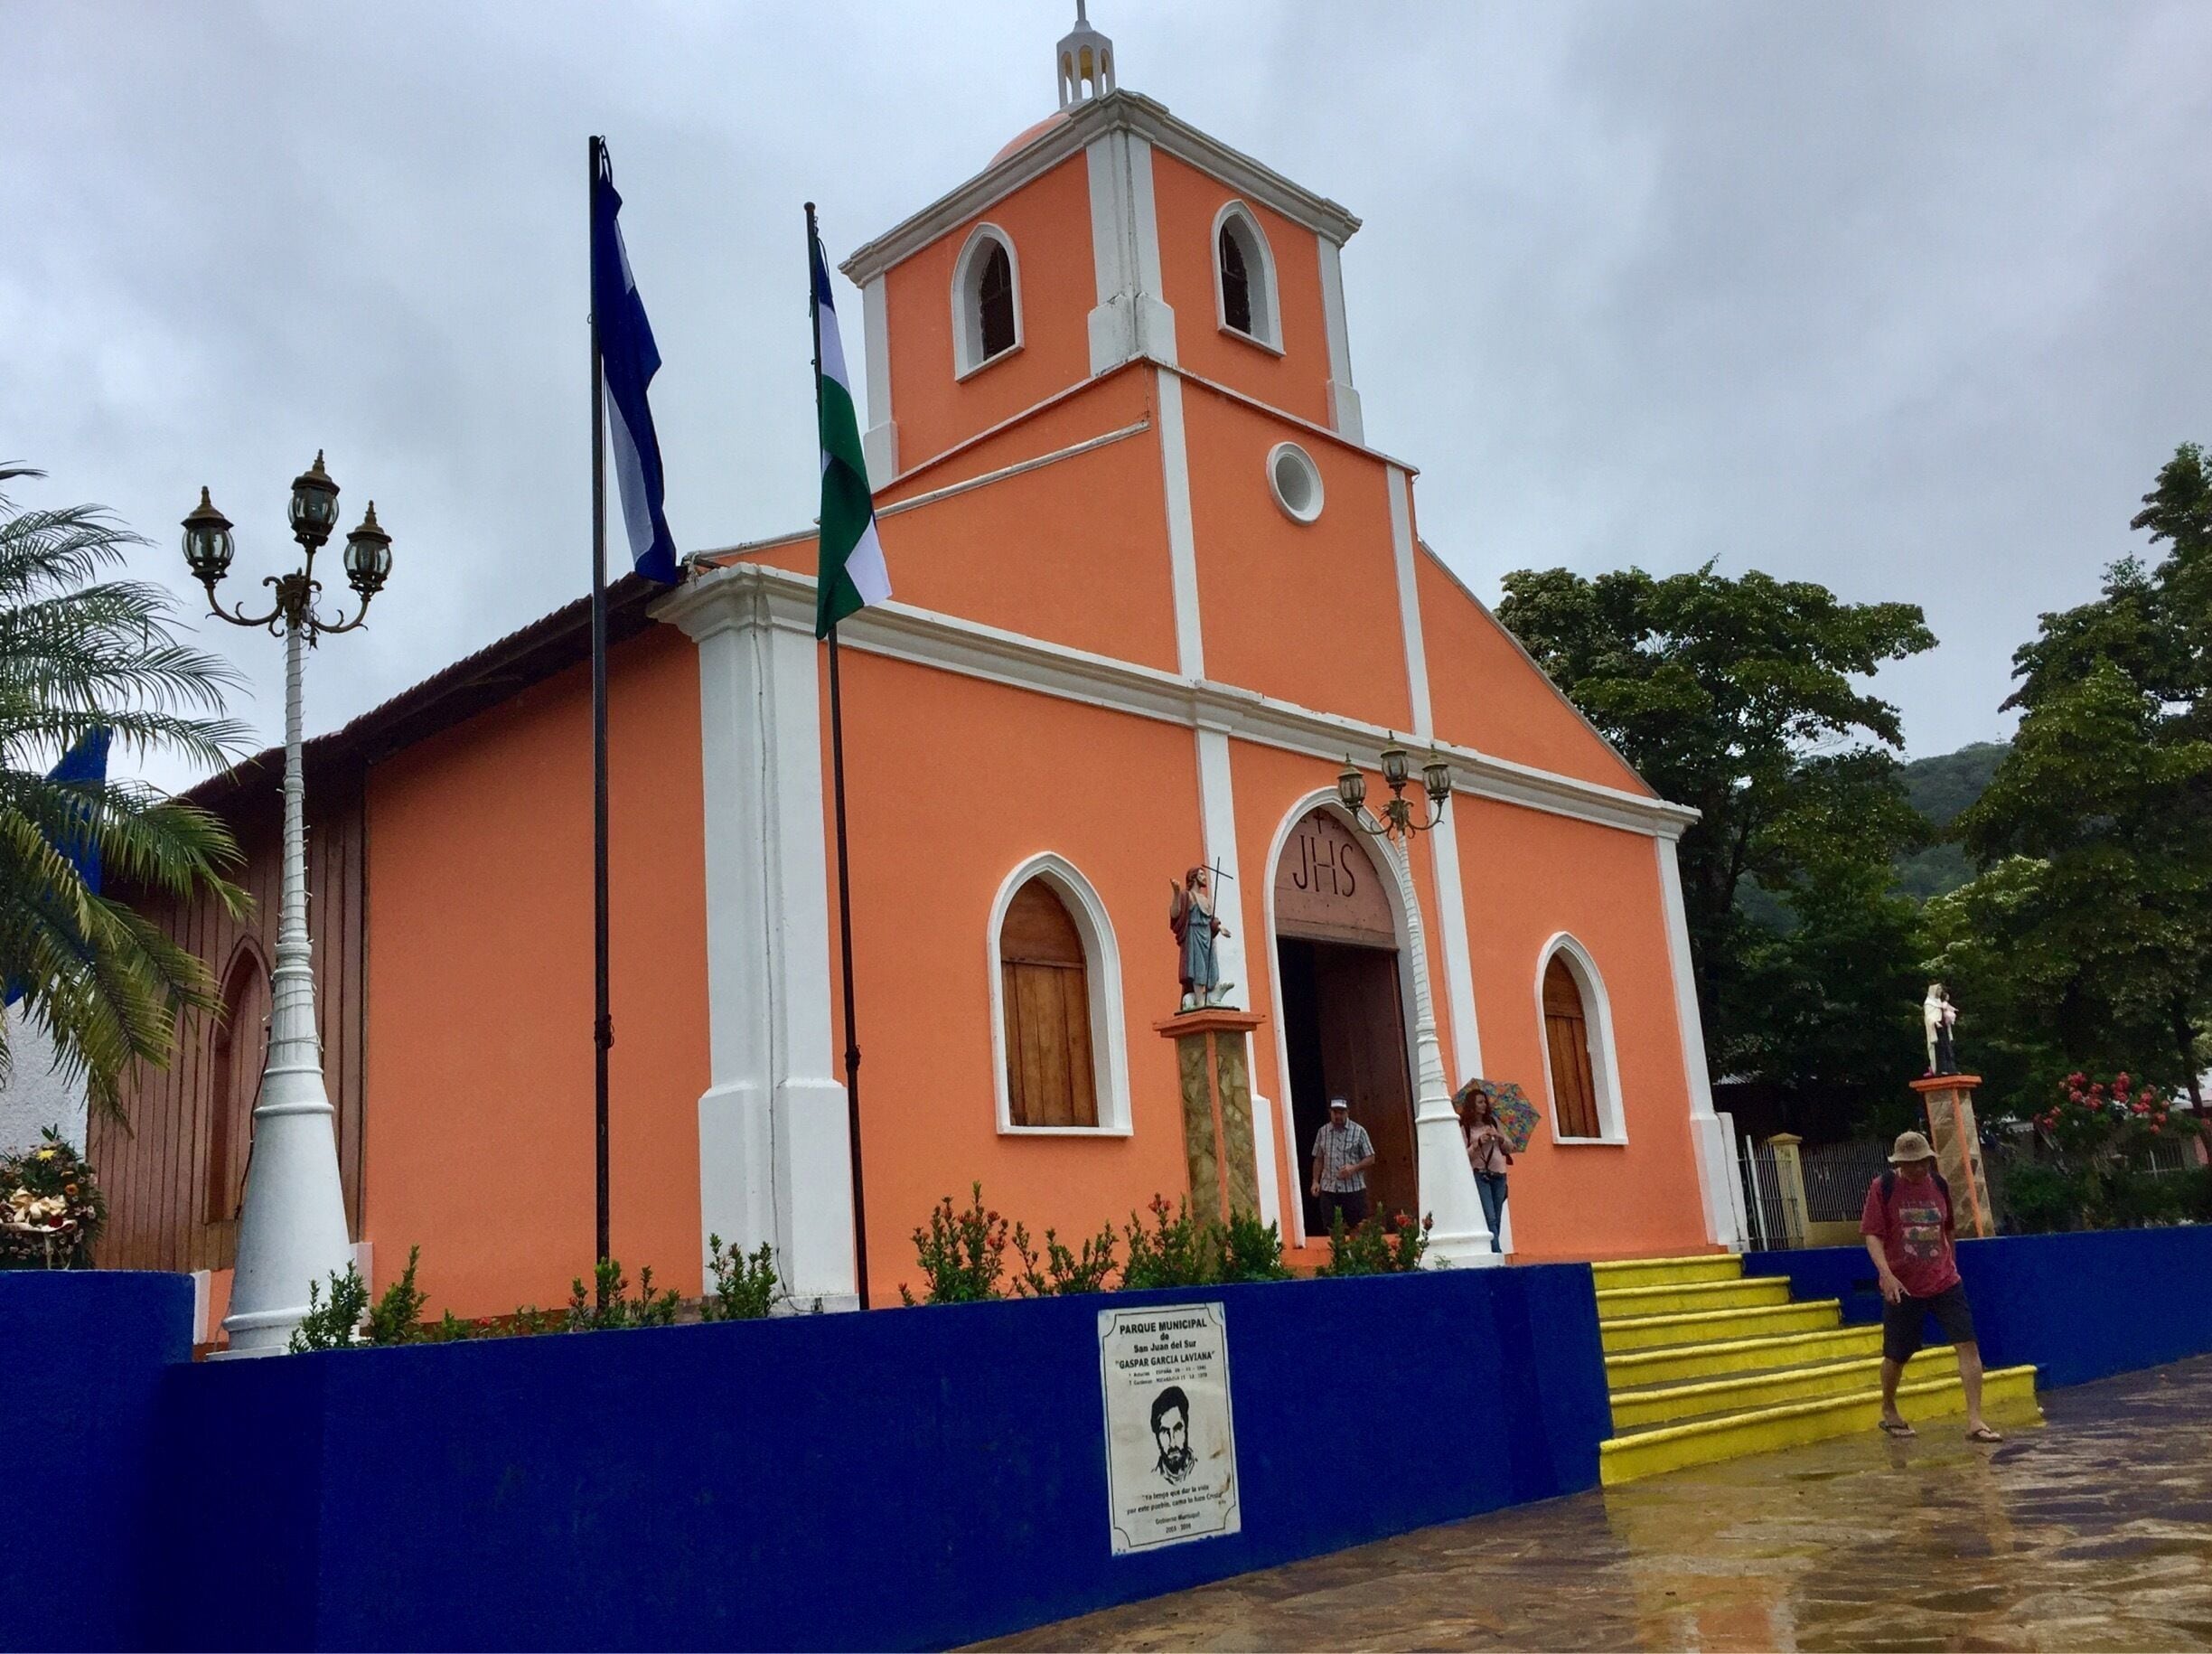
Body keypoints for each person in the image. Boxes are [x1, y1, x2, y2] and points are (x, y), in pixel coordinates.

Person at [1861, 1130, 2000, 1443]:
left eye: (1922, 1163)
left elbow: (1947, 1229)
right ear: (1899, 1164)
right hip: (1903, 1284)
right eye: (1910, 1165)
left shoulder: (1939, 1184)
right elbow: (1872, 1234)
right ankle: (1889, 1408)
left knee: (1967, 1343)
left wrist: (1951, 1264)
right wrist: (1885, 1274)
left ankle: (1976, 1421)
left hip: (1944, 1280)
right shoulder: (1883, 1187)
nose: (1918, 1170)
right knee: (1897, 1354)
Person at [1167, 866, 1233, 1010]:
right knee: (1198, 969)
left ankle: (1211, 997)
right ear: (1194, 877)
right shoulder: (1187, 896)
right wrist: (1176, 893)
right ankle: (1199, 1001)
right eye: (1201, 874)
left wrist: (1220, 928)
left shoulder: (1205, 899)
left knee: (1211, 967)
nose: (1204, 877)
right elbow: (1175, 914)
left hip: (1207, 936)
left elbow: (1211, 920)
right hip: (1194, 934)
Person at [1309, 1097, 1374, 1233]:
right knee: (1332, 1227)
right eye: (1335, 1112)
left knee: (1357, 1226)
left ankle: (1355, 1253)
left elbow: (1370, 1157)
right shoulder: (1323, 1132)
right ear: (1330, 1112)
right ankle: (1338, 1253)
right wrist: (1315, 1181)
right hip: (1329, 1189)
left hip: (1353, 1189)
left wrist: (1353, 1168)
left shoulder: (1359, 1131)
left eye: (1342, 1112)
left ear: (1347, 1112)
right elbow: (1318, 1159)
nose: (1338, 1116)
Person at [1462, 1087, 1511, 1253]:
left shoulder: (1494, 1123)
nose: (1484, 1105)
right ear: (1472, 1106)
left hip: (1499, 1174)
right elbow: (1462, 1155)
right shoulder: (1466, 1129)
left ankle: (1493, 1249)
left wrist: (1499, 1137)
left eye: (1485, 1102)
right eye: (1480, 1102)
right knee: (1489, 1217)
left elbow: (1510, 1147)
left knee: (1497, 1216)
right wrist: (1478, 1143)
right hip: (1480, 1174)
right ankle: (1497, 1253)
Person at [1150, 1386, 1195, 1485]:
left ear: (1186, 1428)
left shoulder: (1205, 1470)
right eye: (1165, 1432)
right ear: (1157, 1437)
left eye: (1177, 1429)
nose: (1172, 1443)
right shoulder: (1151, 1480)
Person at [1923, 982, 1960, 1077]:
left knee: (1948, 1047)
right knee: (1940, 1049)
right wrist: (1935, 1022)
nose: (1940, 991)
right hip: (1936, 1028)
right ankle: (1941, 1069)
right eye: (1938, 990)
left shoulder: (1940, 1002)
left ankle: (1951, 1068)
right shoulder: (1929, 1003)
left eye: (1940, 990)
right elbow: (1928, 1017)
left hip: (1944, 1027)